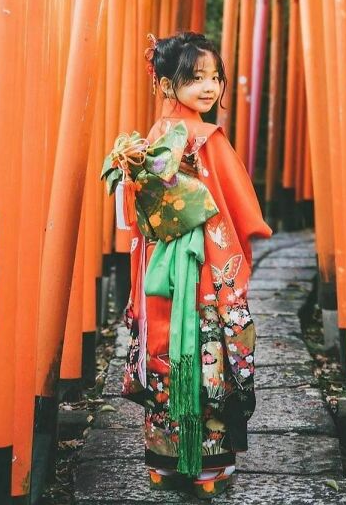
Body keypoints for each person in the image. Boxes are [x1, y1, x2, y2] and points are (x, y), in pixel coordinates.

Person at [102, 31, 272, 499]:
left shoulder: (152, 138)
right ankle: (207, 465)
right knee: (205, 351)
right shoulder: (206, 138)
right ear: (165, 84)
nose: (209, 87)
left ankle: (163, 459)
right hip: (201, 265)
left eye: (214, 77)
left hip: (160, 265)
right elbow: (236, 204)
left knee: (164, 346)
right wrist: (251, 231)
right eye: (196, 78)